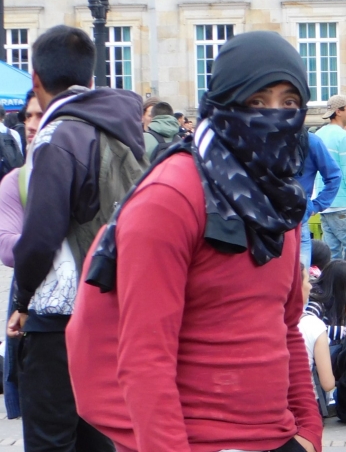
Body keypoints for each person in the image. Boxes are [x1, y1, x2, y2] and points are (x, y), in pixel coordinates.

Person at [65, 30, 322, 452]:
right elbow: (145, 356)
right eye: (257, 102)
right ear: (222, 105)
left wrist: (308, 431)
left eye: (289, 103)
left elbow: (286, 325)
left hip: (276, 437)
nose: (275, 116)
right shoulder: (172, 195)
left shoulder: (279, 201)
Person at [8, 25, 146, 452]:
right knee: (99, 434)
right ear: (90, 78)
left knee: (52, 439)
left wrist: (21, 301)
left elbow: (39, 237)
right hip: (114, 304)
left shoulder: (58, 135)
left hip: (60, 316)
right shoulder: (127, 130)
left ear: (36, 80)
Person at [0, 89, 42, 420]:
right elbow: (5, 245)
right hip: (29, 290)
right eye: (28, 115)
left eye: (39, 115)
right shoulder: (17, 181)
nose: (30, 124)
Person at [315, 95, 346, 261]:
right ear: (338, 111)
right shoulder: (345, 137)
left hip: (324, 204)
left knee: (331, 258)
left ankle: (332, 288)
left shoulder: (318, 134)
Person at [296, 128, 342, 268]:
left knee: (301, 279)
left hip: (298, 218)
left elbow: (334, 176)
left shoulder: (311, 142)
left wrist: (316, 205)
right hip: (269, 221)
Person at [298, 264, 335, 394]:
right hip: (306, 400)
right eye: (308, 281)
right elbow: (328, 383)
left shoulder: (263, 322)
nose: (311, 286)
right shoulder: (314, 325)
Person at [306, 259, 346, 346]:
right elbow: (309, 328)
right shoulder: (316, 302)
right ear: (342, 284)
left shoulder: (331, 300)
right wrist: (345, 332)